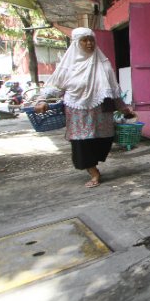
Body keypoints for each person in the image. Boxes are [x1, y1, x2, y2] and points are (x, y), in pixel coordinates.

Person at [34, 27, 133, 188]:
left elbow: (114, 88)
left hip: (101, 111)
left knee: (104, 140)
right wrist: (41, 100)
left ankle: (93, 164)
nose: (89, 43)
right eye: (84, 40)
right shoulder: (68, 65)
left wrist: (123, 107)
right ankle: (93, 171)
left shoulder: (103, 63)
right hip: (77, 111)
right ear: (76, 43)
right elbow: (54, 85)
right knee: (82, 143)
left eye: (91, 40)